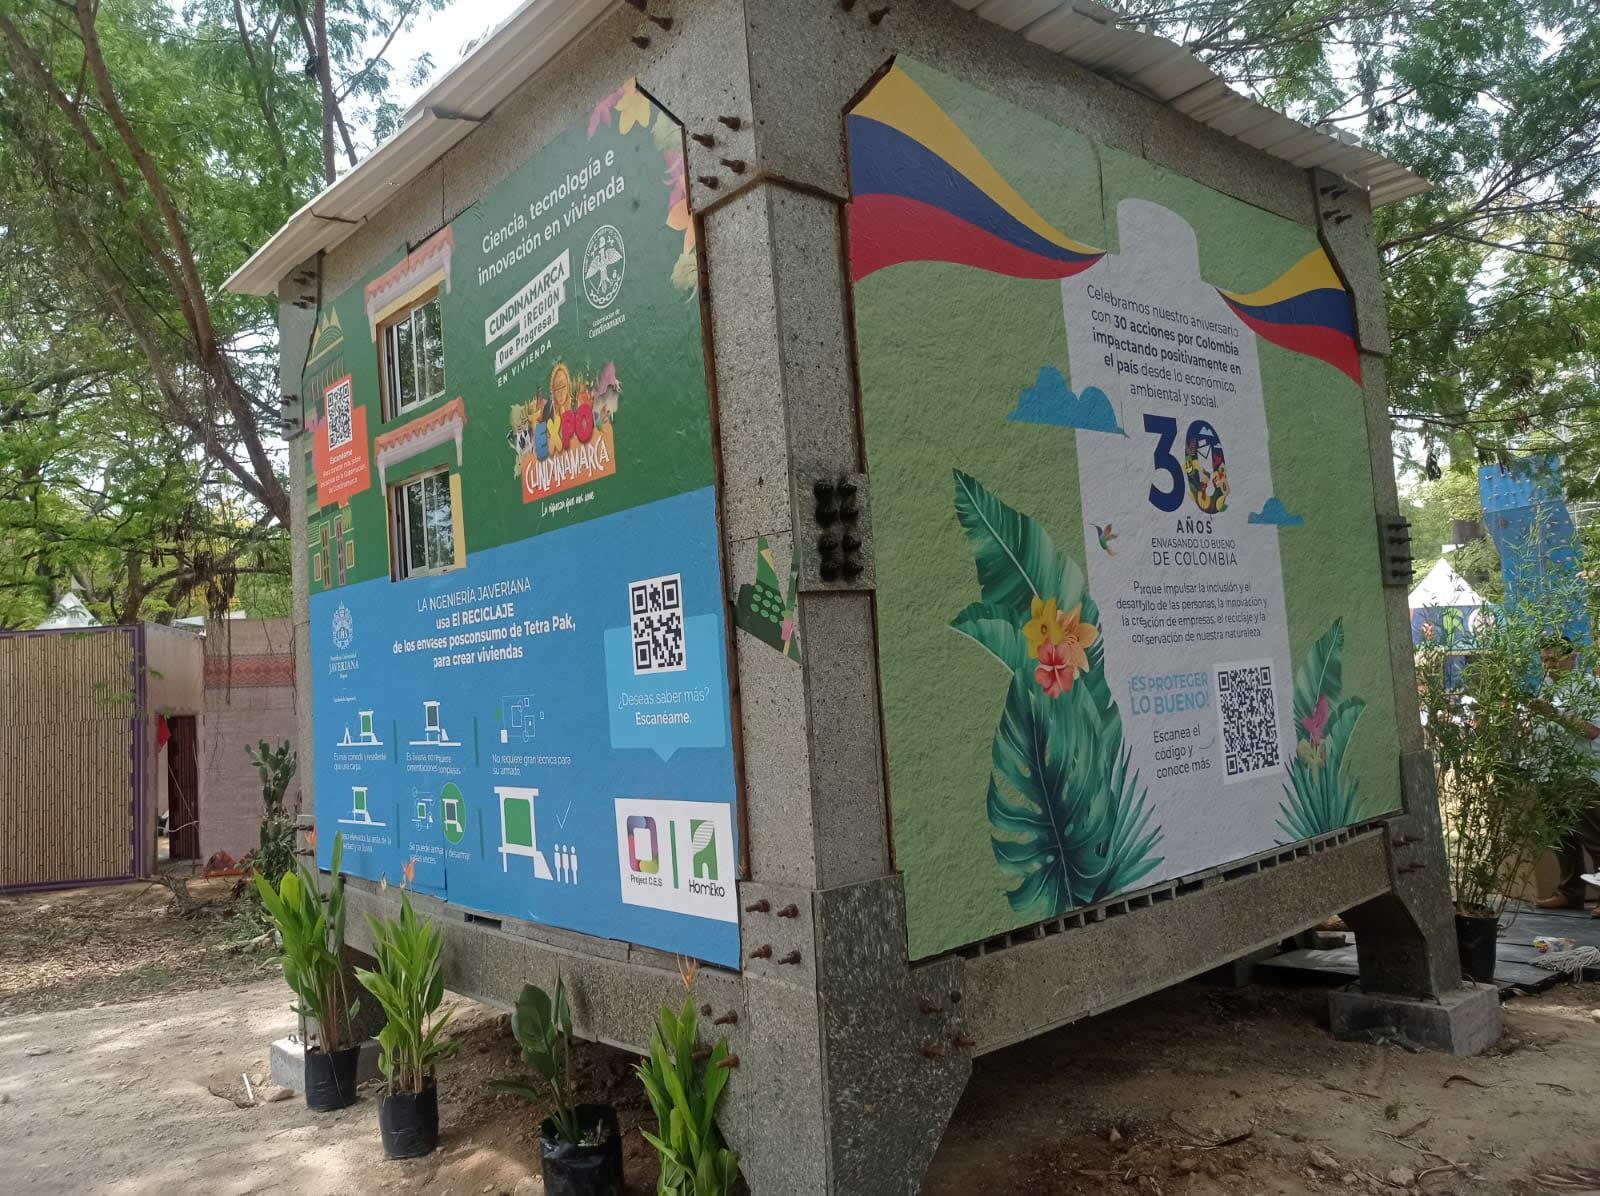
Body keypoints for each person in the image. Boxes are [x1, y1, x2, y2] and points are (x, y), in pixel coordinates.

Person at [1533, 637, 1600, 915]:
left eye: (1553, 659)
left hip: (1582, 773)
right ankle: (1570, 892)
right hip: (1550, 773)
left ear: (1572, 657)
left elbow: (1592, 731)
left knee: (1595, 838)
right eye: (1544, 660)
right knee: (1561, 838)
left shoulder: (1590, 687)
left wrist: (1554, 714)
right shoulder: (1545, 689)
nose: (1548, 665)